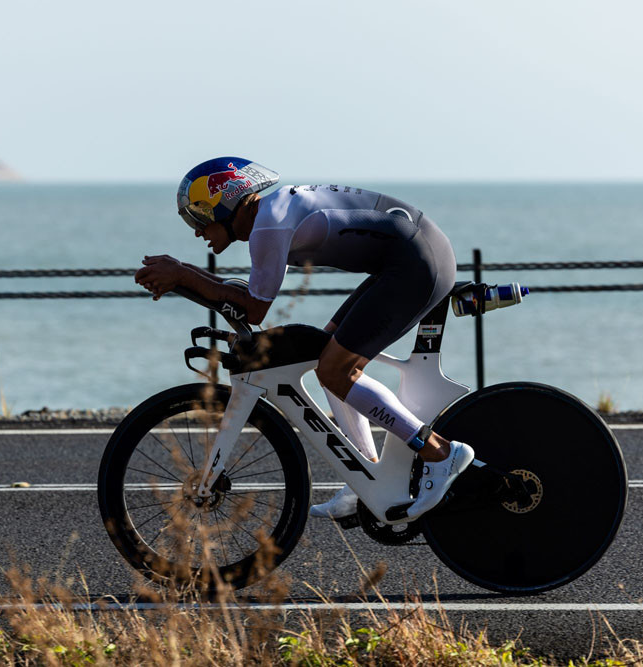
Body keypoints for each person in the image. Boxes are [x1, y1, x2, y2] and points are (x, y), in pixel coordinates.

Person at [134, 157, 473, 522]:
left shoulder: (269, 226)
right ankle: (368, 477)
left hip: (417, 263)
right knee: (324, 356)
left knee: (336, 371)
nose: (197, 230)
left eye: (198, 217)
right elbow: (246, 295)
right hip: (409, 257)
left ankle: (438, 452)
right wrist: (183, 274)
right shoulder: (271, 215)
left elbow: (253, 309)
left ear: (224, 202)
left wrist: (183, 273)